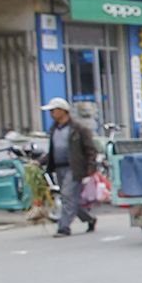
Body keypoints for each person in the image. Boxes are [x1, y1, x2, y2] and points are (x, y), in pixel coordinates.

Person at [41, 96, 97, 238]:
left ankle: (63, 227)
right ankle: (89, 218)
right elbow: (53, 151)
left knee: (67, 196)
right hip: (59, 168)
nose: (51, 114)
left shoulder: (78, 129)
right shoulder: (54, 130)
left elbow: (90, 149)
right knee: (71, 199)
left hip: (74, 168)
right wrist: (41, 162)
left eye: (53, 111)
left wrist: (90, 168)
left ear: (62, 111)